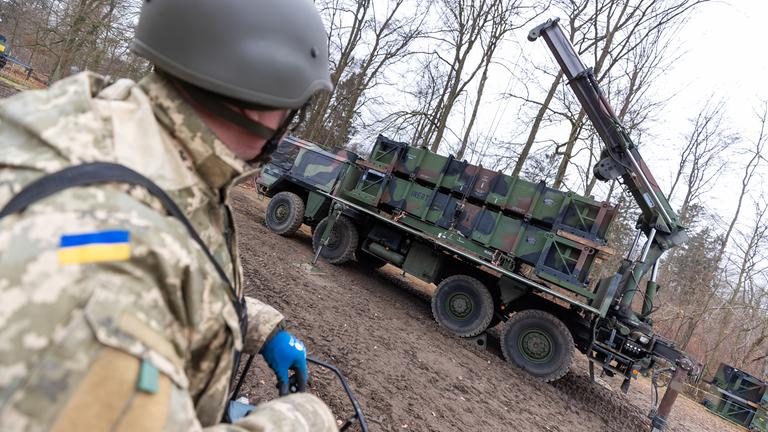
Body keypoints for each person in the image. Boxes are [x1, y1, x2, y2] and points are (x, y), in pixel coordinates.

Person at [0, 0, 337, 430]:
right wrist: (302, 420)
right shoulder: (100, 272)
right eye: (295, 106)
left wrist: (257, 325)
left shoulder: (120, 127)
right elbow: (113, 273)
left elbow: (147, 268)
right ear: (260, 104)